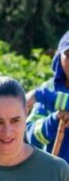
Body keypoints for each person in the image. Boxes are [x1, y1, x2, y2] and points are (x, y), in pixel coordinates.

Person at [26, 30, 69, 162]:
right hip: (55, 177)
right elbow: (32, 137)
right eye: (68, 54)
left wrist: (41, 95)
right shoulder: (49, 87)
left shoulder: (44, 93)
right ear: (59, 57)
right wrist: (55, 120)